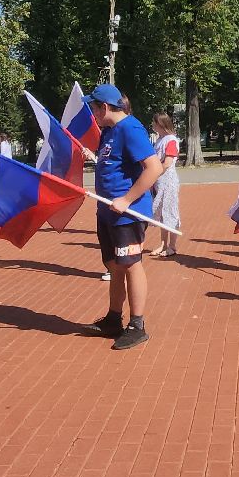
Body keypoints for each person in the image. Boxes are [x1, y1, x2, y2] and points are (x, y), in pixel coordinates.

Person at [85, 84, 162, 349]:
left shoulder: (131, 128)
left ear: (104, 107)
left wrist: (127, 199)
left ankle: (137, 325)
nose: (92, 113)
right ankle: (114, 318)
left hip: (127, 214)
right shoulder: (108, 131)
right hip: (107, 212)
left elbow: (154, 168)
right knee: (114, 266)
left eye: (93, 108)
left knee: (130, 264)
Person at [150, 112, 182, 258]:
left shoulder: (171, 140)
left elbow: (167, 162)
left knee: (170, 212)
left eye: (154, 122)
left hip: (167, 180)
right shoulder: (159, 140)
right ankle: (163, 244)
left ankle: (173, 246)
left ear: (160, 124)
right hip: (159, 181)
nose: (152, 125)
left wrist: (153, 173)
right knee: (162, 214)